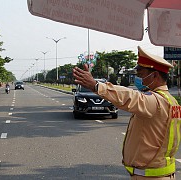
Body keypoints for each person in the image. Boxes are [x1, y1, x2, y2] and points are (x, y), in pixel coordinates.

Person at [73, 46, 180, 179]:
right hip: (159, 173)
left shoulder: (156, 101)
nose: (139, 79)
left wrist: (97, 86)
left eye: (141, 75)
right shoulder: (171, 101)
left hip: (151, 176)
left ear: (155, 75)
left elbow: (130, 96)